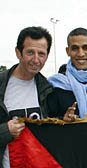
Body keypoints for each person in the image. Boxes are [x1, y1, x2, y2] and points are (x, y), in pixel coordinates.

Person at [0, 26, 53, 168]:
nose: (36, 60)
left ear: (47, 56)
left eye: (41, 54)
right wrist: (5, 131)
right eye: (30, 52)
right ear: (18, 53)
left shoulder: (49, 89)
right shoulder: (2, 85)